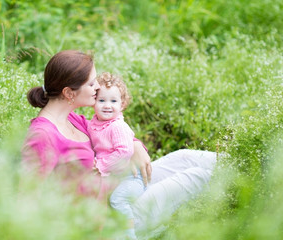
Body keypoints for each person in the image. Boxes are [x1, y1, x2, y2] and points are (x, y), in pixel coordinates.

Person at [21, 50, 217, 239]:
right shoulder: (42, 136)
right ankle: (243, 184)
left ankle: (242, 160)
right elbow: (27, 198)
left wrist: (136, 145)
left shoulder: (73, 119)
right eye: (91, 83)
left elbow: (110, 131)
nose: (98, 87)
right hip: (114, 219)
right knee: (196, 177)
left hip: (122, 184)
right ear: (68, 92)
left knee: (185, 158)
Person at [87, 72, 145, 239]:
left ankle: (130, 235)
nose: (107, 105)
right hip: (115, 177)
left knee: (117, 200)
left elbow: (124, 151)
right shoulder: (94, 123)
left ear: (122, 104)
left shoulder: (117, 126)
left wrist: (101, 165)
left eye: (113, 101)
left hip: (132, 178)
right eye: (102, 100)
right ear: (94, 102)